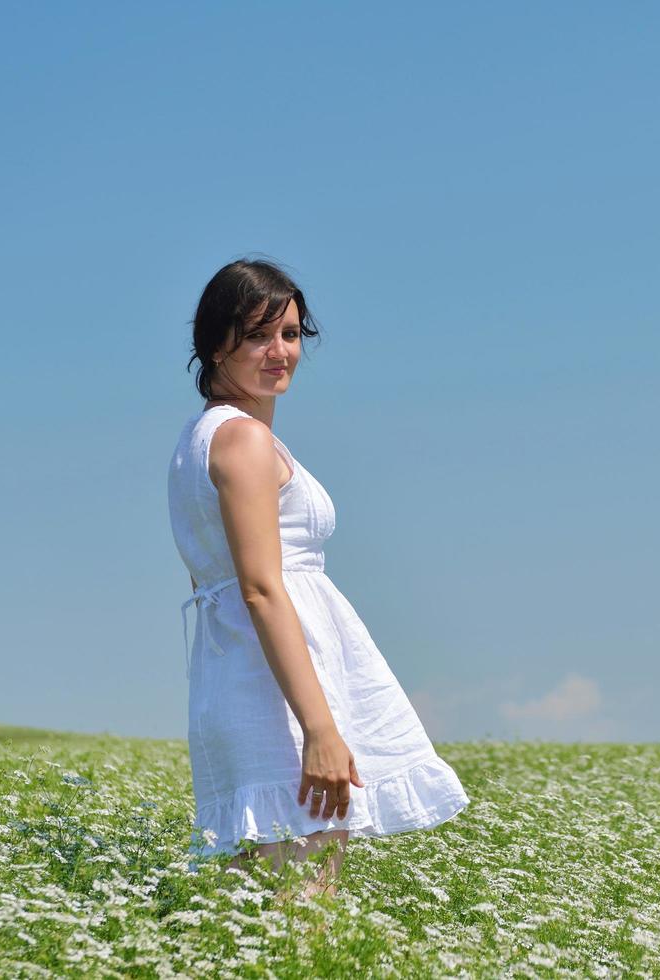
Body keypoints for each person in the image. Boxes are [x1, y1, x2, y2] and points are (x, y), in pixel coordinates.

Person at [167, 257, 470, 899]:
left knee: (259, 912)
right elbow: (261, 588)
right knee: (303, 914)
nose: (279, 352)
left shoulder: (202, 438)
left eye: (292, 334)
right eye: (257, 335)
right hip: (273, 696)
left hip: (245, 680)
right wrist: (321, 729)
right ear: (214, 344)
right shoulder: (241, 441)